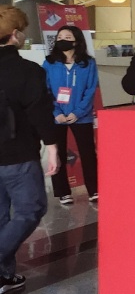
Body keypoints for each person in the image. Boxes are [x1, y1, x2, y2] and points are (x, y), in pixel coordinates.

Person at [0, 6, 61, 294]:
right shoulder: (28, 71)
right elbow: (39, 113)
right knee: (31, 209)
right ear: (15, 35)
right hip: (18, 154)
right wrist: (53, 148)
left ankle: (4, 277)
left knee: (1, 216)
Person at [43, 25, 99, 206]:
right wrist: (56, 112)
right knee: (58, 153)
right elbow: (45, 90)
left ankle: (94, 189)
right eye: (60, 37)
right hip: (57, 116)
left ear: (76, 41)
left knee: (88, 153)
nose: (62, 40)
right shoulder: (49, 63)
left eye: (67, 37)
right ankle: (63, 192)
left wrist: (78, 112)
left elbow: (90, 90)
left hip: (81, 116)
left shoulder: (88, 63)